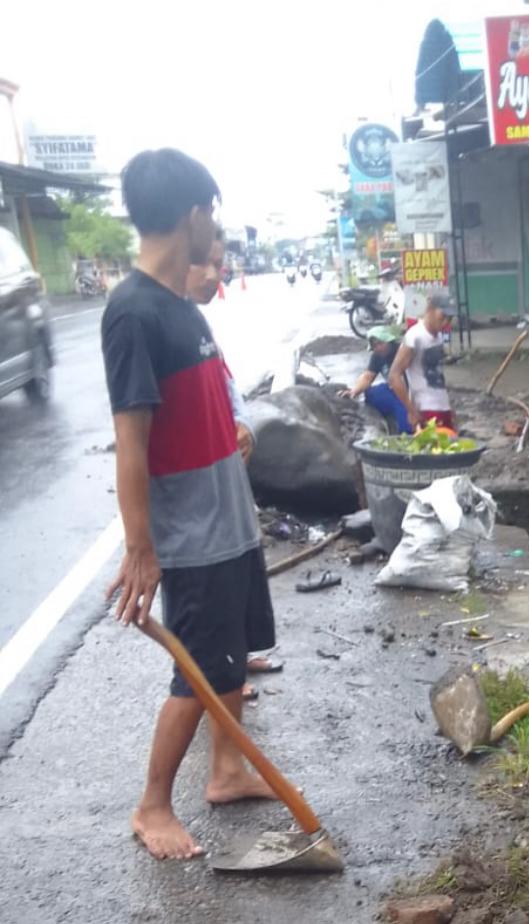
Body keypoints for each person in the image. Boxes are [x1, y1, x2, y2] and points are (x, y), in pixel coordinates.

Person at [101, 149, 278, 862]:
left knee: (232, 655)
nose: (217, 230)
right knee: (198, 670)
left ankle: (227, 771)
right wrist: (141, 547)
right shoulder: (133, 312)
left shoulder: (180, 306)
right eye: (214, 213)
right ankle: (151, 806)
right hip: (192, 532)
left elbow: (190, 409)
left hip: (227, 519)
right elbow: (130, 442)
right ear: (193, 213)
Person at [184, 229, 282, 701]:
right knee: (211, 607)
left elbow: (228, 389)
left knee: (244, 580)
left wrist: (244, 425)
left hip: (229, 480)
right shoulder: (160, 324)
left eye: (218, 265)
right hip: (199, 505)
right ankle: (221, 677)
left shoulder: (200, 327)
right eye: (202, 263)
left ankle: (238, 659)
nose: (212, 275)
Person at [388, 294, 454, 431]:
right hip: (426, 408)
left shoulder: (438, 337)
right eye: (442, 317)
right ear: (430, 309)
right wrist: (411, 411)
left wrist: (449, 408)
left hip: (443, 406)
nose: (446, 323)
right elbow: (394, 376)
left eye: (450, 318)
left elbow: (439, 376)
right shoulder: (414, 336)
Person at [338, 326, 410, 433]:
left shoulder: (402, 350)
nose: (378, 348)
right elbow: (368, 376)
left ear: (388, 340)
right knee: (371, 394)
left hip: (408, 390)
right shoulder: (377, 356)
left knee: (406, 425)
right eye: (375, 346)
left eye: (381, 344)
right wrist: (354, 391)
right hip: (392, 389)